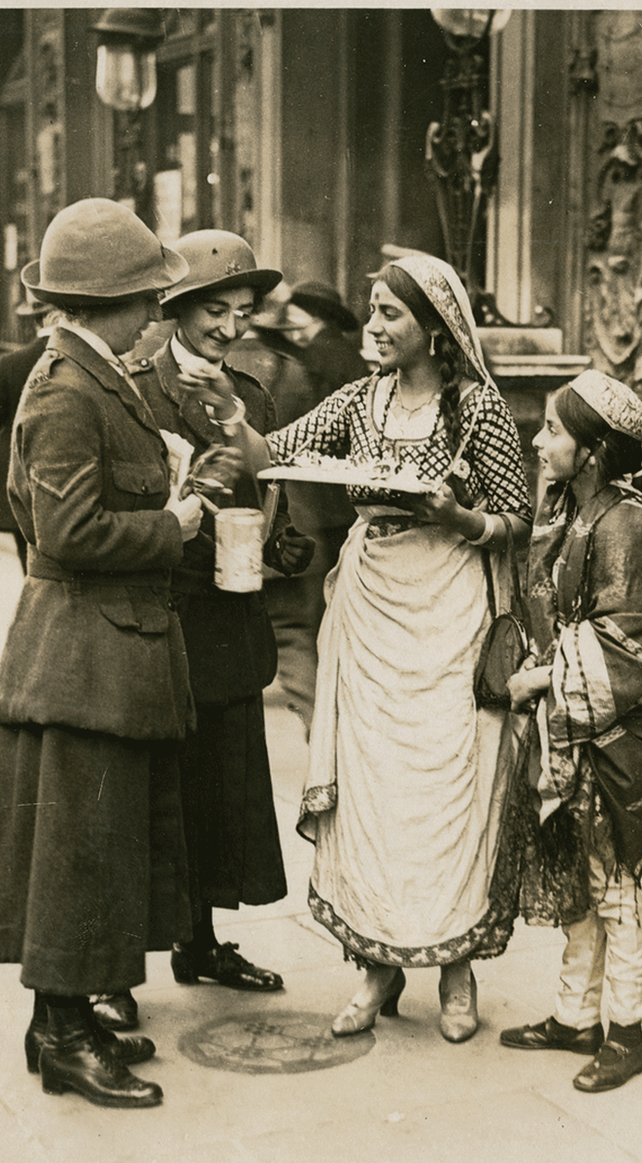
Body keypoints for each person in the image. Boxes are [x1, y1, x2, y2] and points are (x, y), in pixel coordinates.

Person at [235, 253, 533, 1042]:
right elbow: (269, 453)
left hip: (450, 609)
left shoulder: (478, 411)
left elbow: (519, 519)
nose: (372, 326)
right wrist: (221, 416)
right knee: (373, 790)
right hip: (369, 605)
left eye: (389, 314)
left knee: (445, 785)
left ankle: (457, 972)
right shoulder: (357, 402)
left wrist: (461, 520)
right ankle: (375, 969)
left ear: (434, 331)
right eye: (370, 310)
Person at [0, 197, 203, 1109]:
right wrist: (173, 523)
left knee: (97, 849)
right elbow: (68, 532)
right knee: (77, 852)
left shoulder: (93, 372)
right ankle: (64, 1034)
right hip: (83, 658)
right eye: (147, 296)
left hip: (104, 656)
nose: (155, 313)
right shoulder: (66, 387)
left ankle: (59, 1024)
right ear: (112, 301)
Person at [89, 230, 315, 1032]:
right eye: (214, 310)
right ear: (176, 309)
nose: (229, 327)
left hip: (231, 613)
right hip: (164, 616)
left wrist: (284, 540)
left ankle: (202, 942)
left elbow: (272, 483)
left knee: (221, 790)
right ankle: (114, 973)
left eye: (242, 312)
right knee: (153, 795)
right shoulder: (132, 388)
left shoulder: (254, 394)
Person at [499, 369, 642, 1092]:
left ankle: (628, 1031)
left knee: (614, 879)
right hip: (568, 727)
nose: (538, 439)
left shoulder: (626, 523)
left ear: (591, 451)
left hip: (614, 733)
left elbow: (632, 642)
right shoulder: (568, 510)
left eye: (552, 429)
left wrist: (541, 678)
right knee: (578, 874)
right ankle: (574, 1015)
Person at [259, 282, 369, 734]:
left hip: (302, 512)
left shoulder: (300, 370)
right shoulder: (306, 366)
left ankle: (326, 731)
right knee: (307, 626)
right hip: (316, 512)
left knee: (294, 632)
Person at [0, 293, 58, 569]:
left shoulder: (10, 364)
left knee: (32, 571)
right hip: (68, 483)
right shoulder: (79, 361)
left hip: (21, 486)